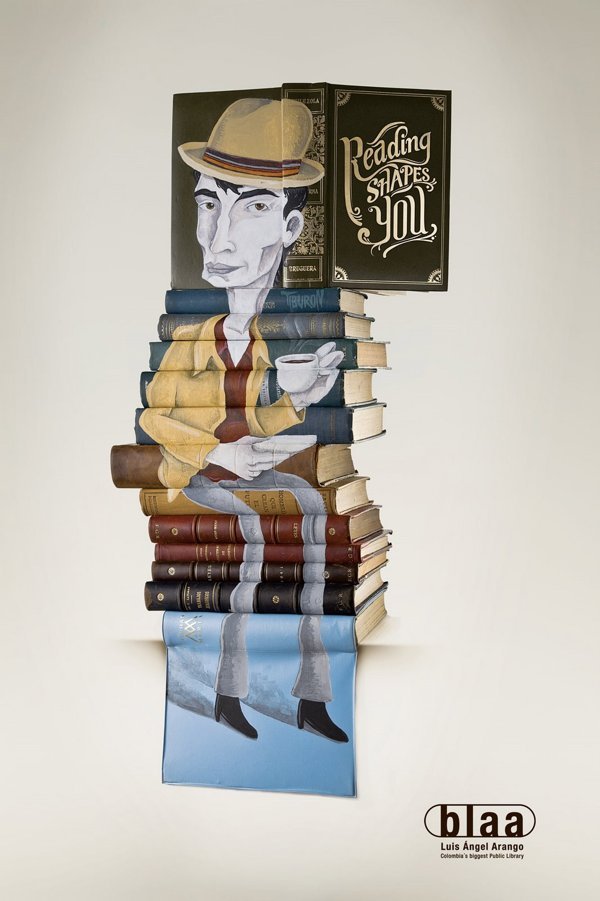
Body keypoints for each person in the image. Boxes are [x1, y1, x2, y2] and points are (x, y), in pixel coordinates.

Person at [142, 97, 348, 743]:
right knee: (255, 532)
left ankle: (310, 695)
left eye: (253, 207)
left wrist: (298, 400)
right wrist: (215, 452)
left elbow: (251, 428)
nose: (220, 234)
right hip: (190, 479)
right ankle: (226, 692)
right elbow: (153, 417)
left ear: (290, 228)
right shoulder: (186, 334)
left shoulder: (264, 341)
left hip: (237, 473)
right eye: (209, 202)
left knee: (312, 510)